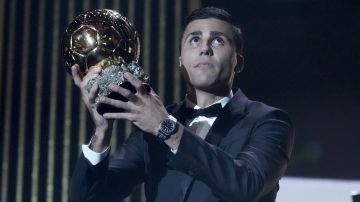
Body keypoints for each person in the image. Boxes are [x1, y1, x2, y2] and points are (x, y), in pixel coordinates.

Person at [69, 6, 294, 202]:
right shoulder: (151, 123)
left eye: (218, 40)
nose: (205, 48)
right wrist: (101, 132)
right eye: (194, 39)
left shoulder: (268, 121)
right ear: (180, 61)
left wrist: (167, 128)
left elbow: (246, 186)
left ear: (239, 62)